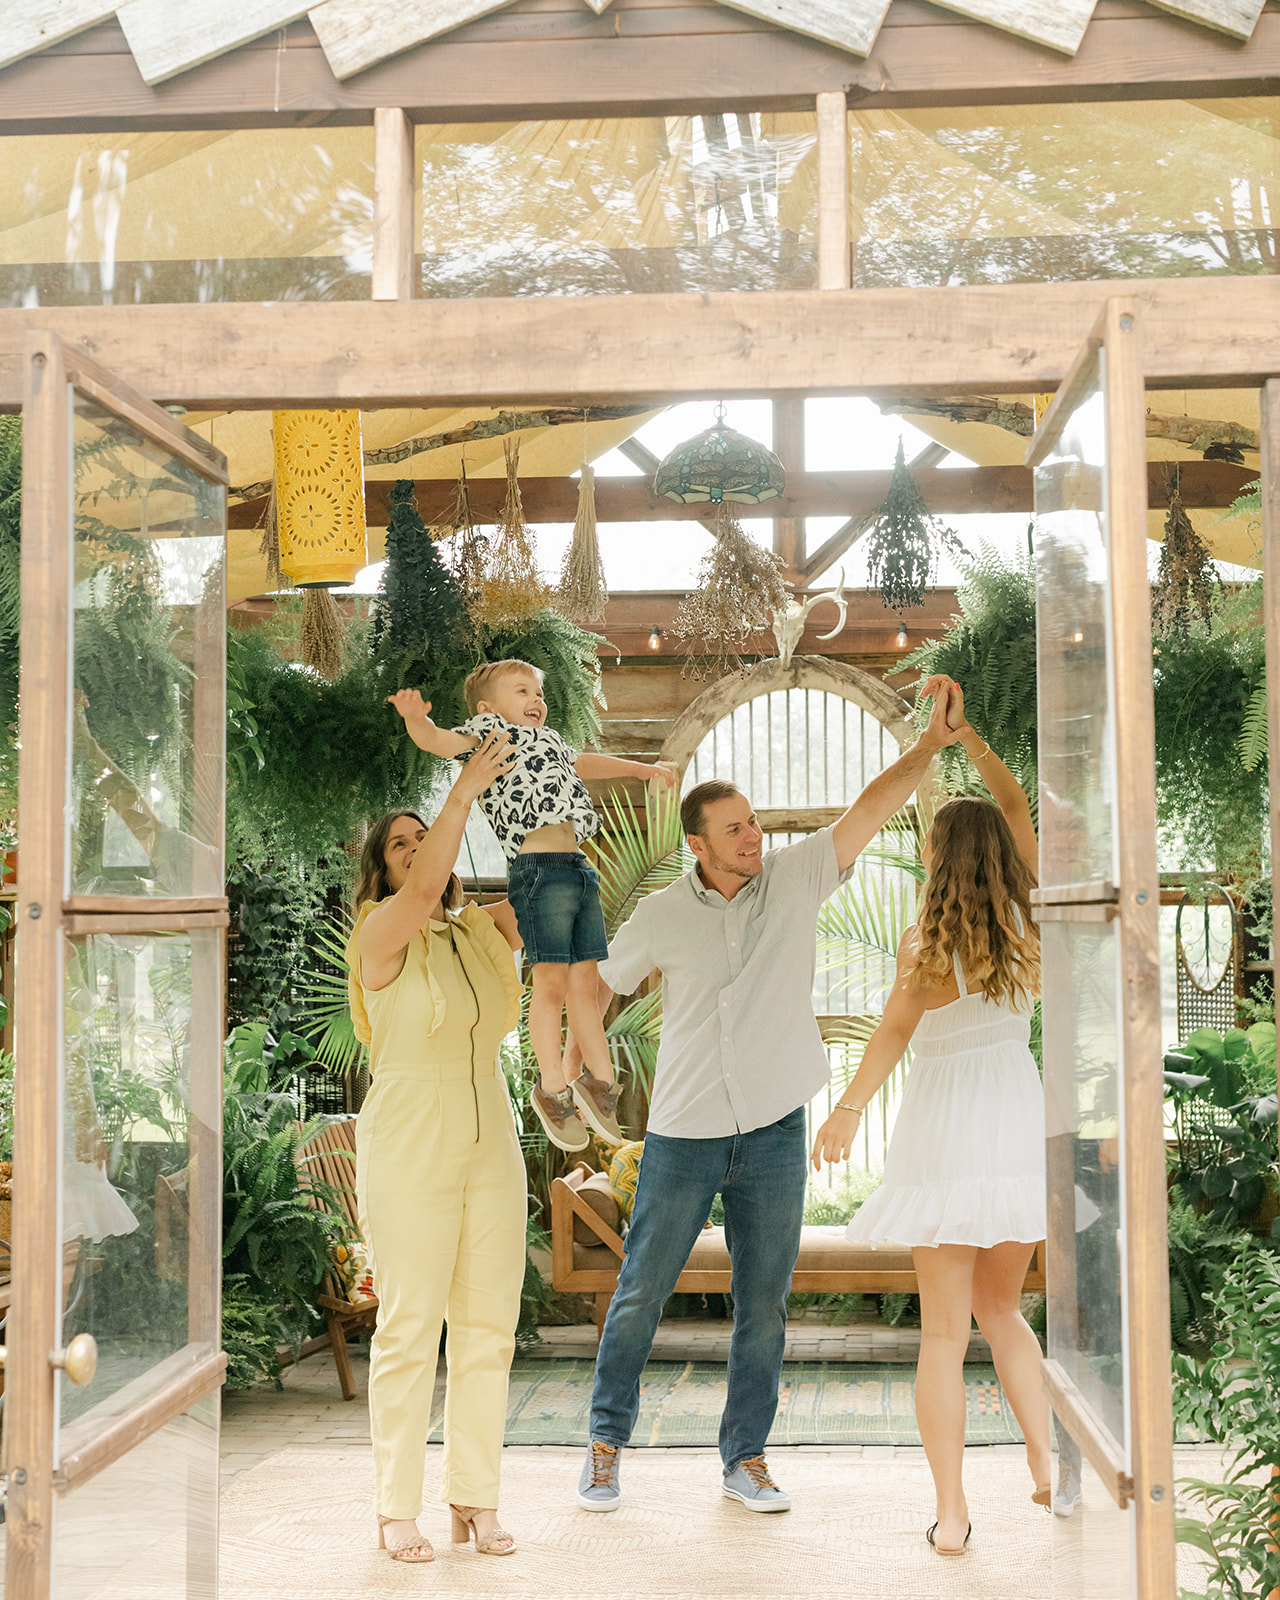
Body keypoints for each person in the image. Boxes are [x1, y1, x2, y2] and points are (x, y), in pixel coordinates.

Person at [570, 676, 965, 1516]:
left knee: (764, 1305)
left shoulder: (795, 876)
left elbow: (866, 807)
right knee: (641, 1289)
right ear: (698, 847)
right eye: (736, 828)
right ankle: (605, 1447)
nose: (754, 836)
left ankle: (744, 1457)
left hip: (778, 1128)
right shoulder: (659, 918)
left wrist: (926, 748)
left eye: (752, 822)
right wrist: (583, 1060)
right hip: (683, 1131)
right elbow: (597, 988)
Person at [812, 683, 1049, 1556]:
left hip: (945, 1127)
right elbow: (1017, 802)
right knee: (1007, 1312)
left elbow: (890, 1037)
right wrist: (971, 743)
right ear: (1001, 855)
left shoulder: (923, 941)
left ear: (937, 854)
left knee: (944, 1334)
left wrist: (844, 1114)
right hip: (1015, 1120)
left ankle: (951, 1515)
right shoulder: (1031, 919)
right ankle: (1044, 1467)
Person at [348, 728, 528, 1563]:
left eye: (429, 840)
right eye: (402, 845)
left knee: (489, 1327)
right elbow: (422, 898)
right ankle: (395, 1509)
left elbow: (558, 878)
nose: (421, 852)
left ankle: (474, 1499)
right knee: (411, 1326)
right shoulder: (381, 935)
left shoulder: (478, 933)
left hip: (493, 1129)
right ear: (381, 871)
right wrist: (460, 789)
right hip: (410, 1138)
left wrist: (531, 775)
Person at [390, 661, 676, 1154]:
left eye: (538, 692)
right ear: (487, 708)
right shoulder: (491, 734)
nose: (536, 699)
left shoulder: (552, 740)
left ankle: (597, 1083)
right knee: (551, 983)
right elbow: (439, 742)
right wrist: (416, 719)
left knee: (587, 983)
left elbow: (582, 763)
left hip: (578, 866)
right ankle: (550, 1088)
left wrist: (639, 769)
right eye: (522, 690)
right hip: (538, 869)